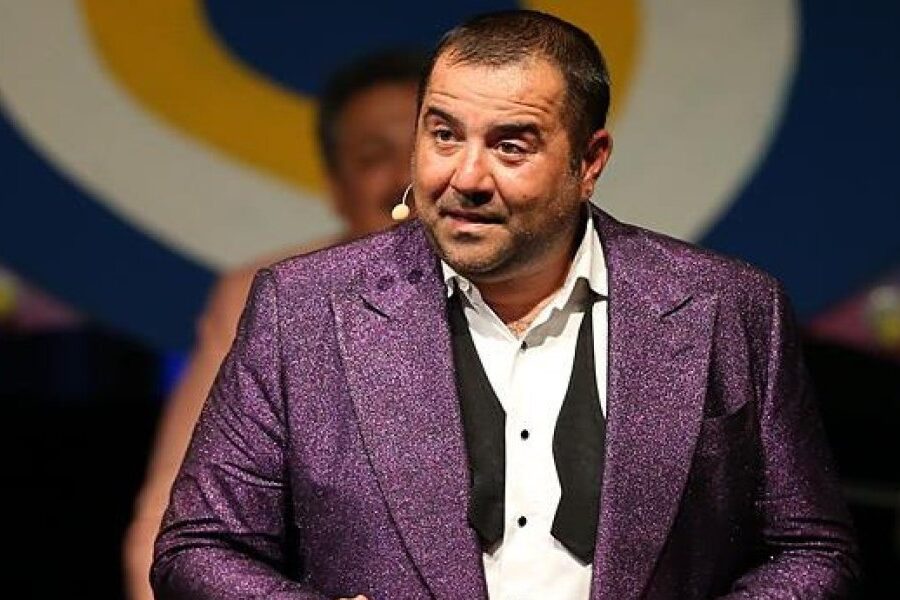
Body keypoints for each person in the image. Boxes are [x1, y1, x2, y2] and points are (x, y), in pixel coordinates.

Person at [152, 11, 860, 600]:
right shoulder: (304, 310)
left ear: (589, 161)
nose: (466, 176)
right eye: (443, 134)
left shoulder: (725, 308)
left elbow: (813, 552)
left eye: (510, 145)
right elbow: (199, 548)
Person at [123, 50, 425, 600]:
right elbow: (173, 527)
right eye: (373, 156)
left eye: (424, 149)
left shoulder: (535, 289)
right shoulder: (270, 299)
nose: (405, 179)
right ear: (336, 187)